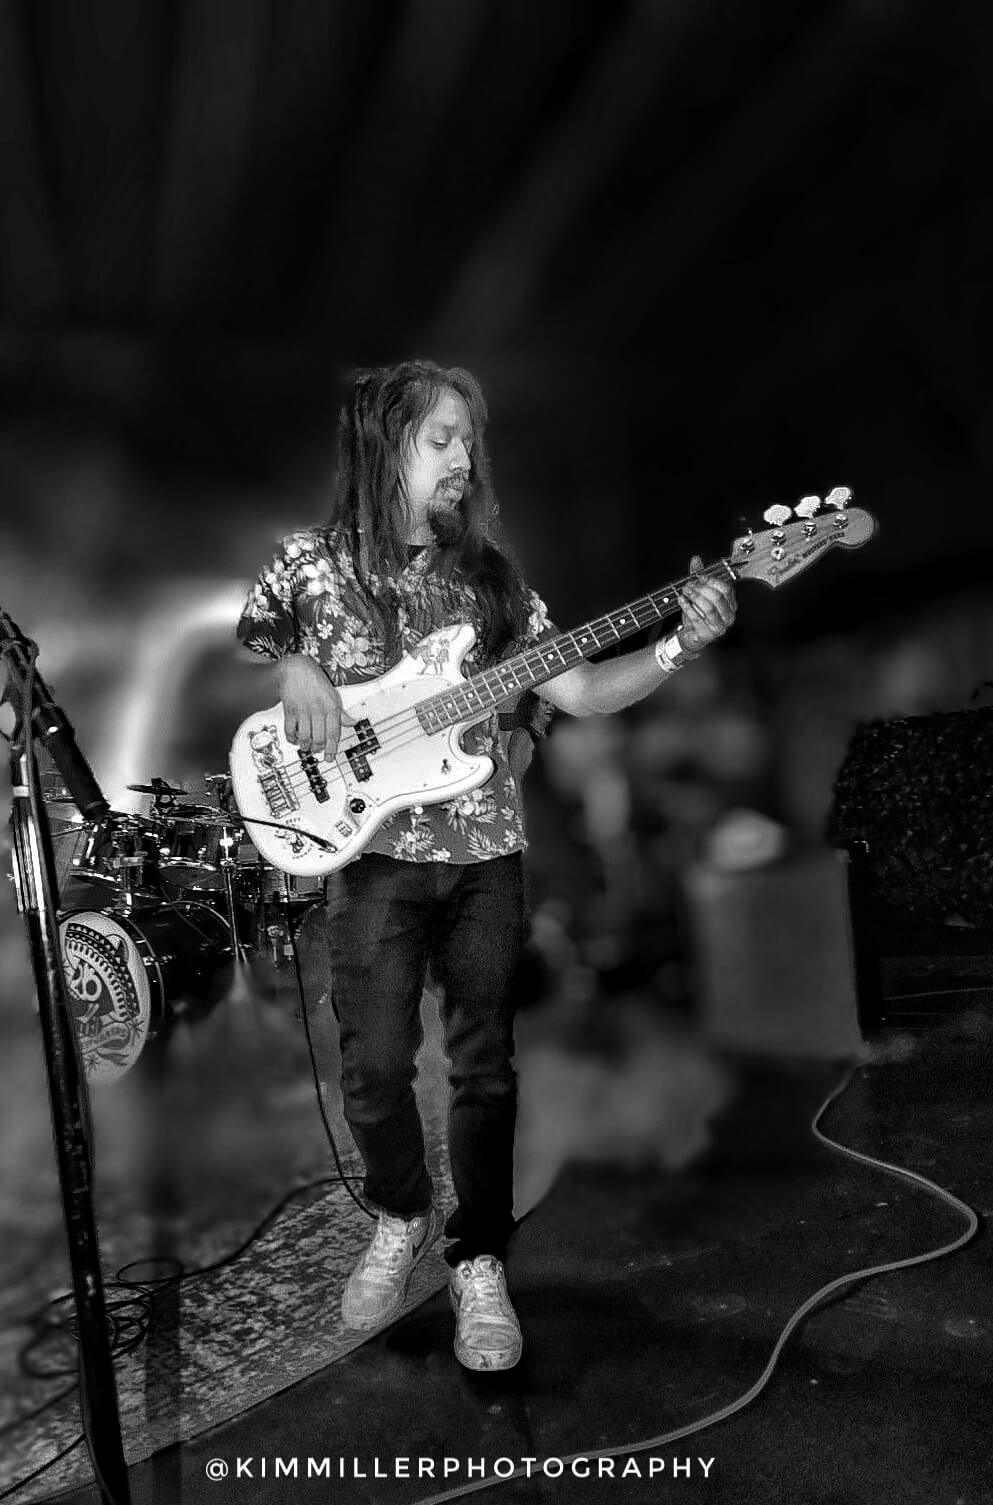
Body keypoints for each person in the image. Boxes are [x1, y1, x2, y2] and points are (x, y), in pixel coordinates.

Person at [237, 359, 736, 1371]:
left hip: (485, 854)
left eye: (469, 438)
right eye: (441, 438)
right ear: (385, 444)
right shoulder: (309, 564)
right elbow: (253, 640)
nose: (464, 457)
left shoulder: (497, 584)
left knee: (485, 1068)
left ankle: (477, 1258)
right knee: (375, 1069)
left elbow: (582, 690)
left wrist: (679, 644)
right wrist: (293, 664)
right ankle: (401, 1213)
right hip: (371, 852)